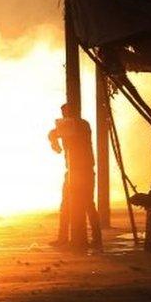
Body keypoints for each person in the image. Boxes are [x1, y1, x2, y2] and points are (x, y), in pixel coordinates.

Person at [48, 104, 102, 251]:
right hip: (71, 171)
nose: (64, 116)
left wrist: (55, 139)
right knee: (66, 204)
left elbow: (61, 131)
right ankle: (63, 237)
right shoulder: (66, 127)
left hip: (84, 171)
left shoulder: (82, 125)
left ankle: (97, 239)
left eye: (66, 113)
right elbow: (53, 133)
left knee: (88, 205)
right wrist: (54, 142)